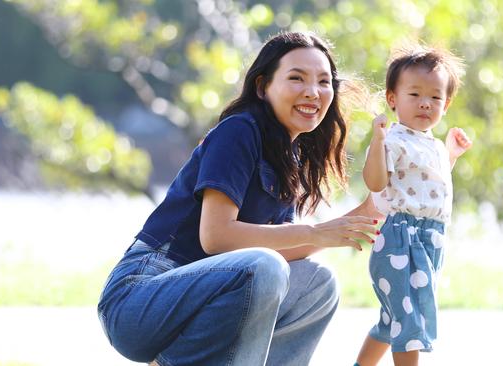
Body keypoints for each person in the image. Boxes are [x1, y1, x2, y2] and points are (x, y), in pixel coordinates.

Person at [96, 31, 381, 366]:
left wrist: (348, 226)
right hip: (141, 297)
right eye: (296, 78)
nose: (313, 92)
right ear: (262, 87)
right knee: (265, 265)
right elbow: (217, 237)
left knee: (318, 284)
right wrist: (316, 233)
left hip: (201, 303)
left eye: (323, 81)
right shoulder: (239, 131)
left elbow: (284, 251)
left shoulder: (288, 156)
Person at [354, 44, 472, 366]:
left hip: (430, 238)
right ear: (393, 99)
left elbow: (426, 187)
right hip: (400, 237)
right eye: (414, 94)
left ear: (446, 104)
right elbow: (376, 183)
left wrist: (450, 155)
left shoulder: (431, 143)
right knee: (409, 321)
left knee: (392, 318)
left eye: (435, 97)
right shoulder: (391, 140)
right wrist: (376, 143)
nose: (425, 103)